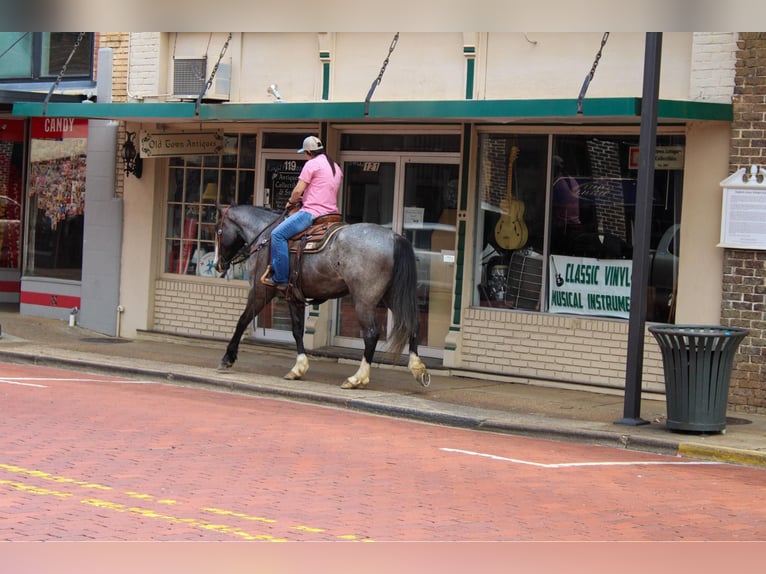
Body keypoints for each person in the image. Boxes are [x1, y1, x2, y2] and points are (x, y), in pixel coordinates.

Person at [261, 135, 342, 290]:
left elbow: (298, 190)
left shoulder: (312, 164)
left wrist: (291, 202)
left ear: (309, 153)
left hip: (312, 212)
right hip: (331, 214)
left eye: (305, 153)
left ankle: (281, 279)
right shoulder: (335, 167)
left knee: (277, 235)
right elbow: (322, 189)